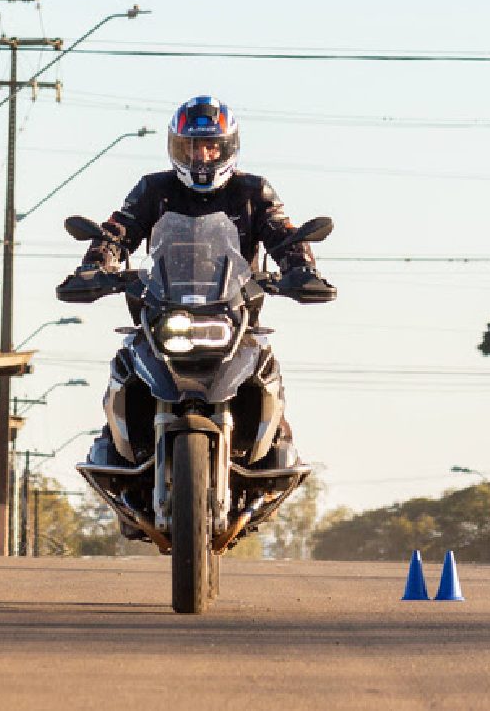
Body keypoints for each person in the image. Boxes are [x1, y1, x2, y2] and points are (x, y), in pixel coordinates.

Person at [61, 95, 333, 469]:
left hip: (234, 315)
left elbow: (283, 233)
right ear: (176, 146)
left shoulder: (254, 192)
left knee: (266, 369)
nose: (201, 156)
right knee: (127, 363)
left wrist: (301, 269)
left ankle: (273, 449)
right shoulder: (153, 190)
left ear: (227, 148)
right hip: (161, 309)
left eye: (210, 146)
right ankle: (118, 445)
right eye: (191, 146)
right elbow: (119, 229)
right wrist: (96, 264)